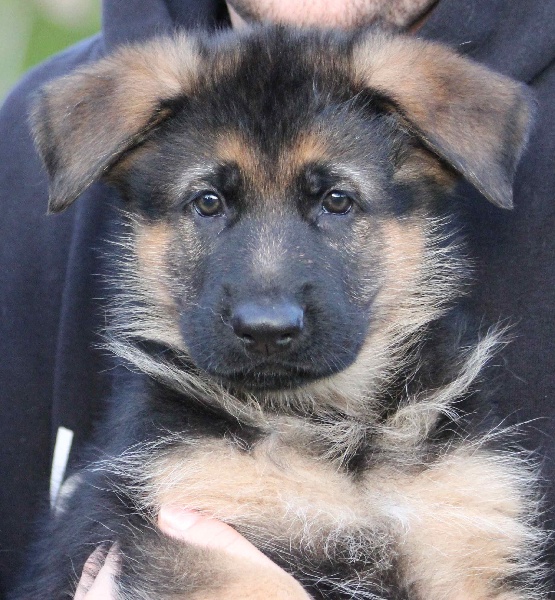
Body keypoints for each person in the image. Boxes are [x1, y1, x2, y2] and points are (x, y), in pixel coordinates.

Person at [0, 0, 554, 598]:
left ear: (429, 169)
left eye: (337, 202)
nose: (267, 310)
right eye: (208, 203)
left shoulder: (466, 468)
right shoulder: (181, 475)